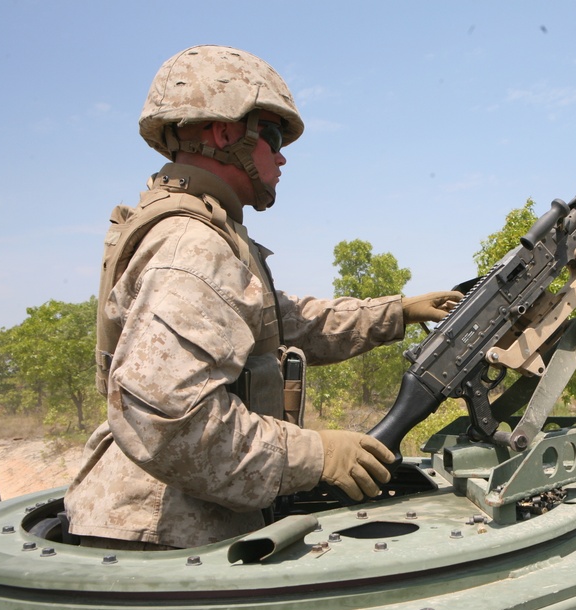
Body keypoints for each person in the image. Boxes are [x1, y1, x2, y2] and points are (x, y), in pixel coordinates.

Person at [64, 45, 461, 550]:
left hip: (175, 519)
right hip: (163, 536)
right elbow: (171, 423)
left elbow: (287, 319)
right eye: (271, 134)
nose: (282, 154)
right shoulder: (193, 245)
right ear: (224, 132)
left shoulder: (209, 230)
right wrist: (316, 455)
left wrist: (397, 312)